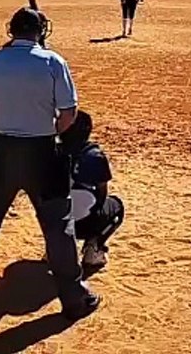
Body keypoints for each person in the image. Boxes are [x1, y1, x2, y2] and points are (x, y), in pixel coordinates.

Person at [0, 8, 99, 320]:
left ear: (11, 30)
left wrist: (2, 132)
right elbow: (69, 114)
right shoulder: (54, 62)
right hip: (42, 153)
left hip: (1, 152)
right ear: (40, 30)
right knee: (58, 226)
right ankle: (73, 296)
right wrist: (48, 133)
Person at [59, 111, 123, 272]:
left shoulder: (52, 153)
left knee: (53, 202)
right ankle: (93, 248)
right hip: (85, 224)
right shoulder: (95, 156)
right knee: (116, 206)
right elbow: (102, 193)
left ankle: (55, 249)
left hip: (55, 222)